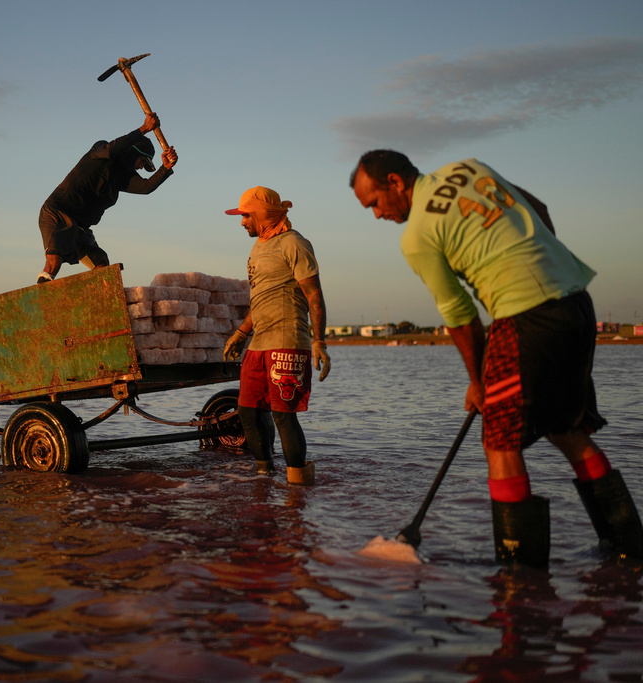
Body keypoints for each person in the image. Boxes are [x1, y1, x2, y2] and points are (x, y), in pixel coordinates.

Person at [350, 150, 642, 567]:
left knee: (500, 444)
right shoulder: (468, 168)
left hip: (524, 316)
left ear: (395, 182)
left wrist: (478, 381)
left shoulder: (415, 237)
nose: (376, 215)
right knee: (566, 428)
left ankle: (519, 581)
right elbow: (537, 208)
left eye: (374, 203)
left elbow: (460, 317)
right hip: (576, 303)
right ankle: (628, 550)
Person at [222, 187, 331, 485]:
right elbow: (262, 298)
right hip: (258, 344)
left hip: (287, 341)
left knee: (283, 417)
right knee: (247, 412)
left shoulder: (294, 243)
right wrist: (241, 333)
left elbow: (314, 294)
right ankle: (264, 478)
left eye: (245, 215)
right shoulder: (257, 247)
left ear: (261, 214)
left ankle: (298, 486)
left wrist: (319, 340)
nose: (242, 222)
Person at [36, 112, 178, 283]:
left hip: (80, 228)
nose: (141, 168)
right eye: (142, 162)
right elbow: (113, 149)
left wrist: (165, 168)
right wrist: (143, 129)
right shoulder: (100, 152)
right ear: (134, 153)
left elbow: (146, 187)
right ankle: (42, 289)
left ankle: (92, 299)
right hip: (57, 213)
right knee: (54, 261)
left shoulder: (122, 178)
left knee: (102, 265)